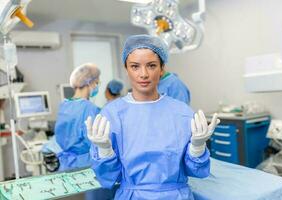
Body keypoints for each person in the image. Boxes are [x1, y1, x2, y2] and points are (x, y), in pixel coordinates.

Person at [85, 35, 219, 200]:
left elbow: (196, 171)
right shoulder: (111, 115)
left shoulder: (182, 113)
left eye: (151, 65)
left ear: (162, 69)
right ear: (126, 69)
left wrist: (198, 148)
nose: (143, 74)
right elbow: (108, 178)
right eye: (135, 66)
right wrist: (105, 152)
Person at [55, 63, 101, 171]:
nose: (97, 86)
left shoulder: (64, 104)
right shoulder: (90, 109)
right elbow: (96, 142)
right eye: (97, 83)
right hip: (84, 165)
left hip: (65, 164)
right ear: (90, 82)